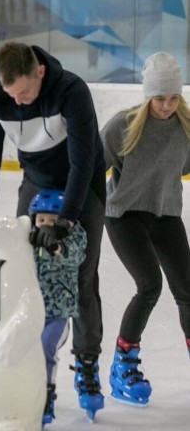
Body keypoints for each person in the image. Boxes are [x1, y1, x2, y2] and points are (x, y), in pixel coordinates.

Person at [0, 42, 107, 420]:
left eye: (25, 92)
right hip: (36, 182)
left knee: (81, 277)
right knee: (26, 275)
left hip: (83, 186)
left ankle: (87, 362)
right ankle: (34, 377)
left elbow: (82, 163)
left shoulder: (72, 91)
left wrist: (66, 221)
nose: (20, 102)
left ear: (40, 72)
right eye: (12, 94)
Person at [99, 51, 190, 405]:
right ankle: (123, 364)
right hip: (124, 215)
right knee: (149, 285)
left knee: (187, 291)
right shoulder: (123, 125)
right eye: (159, 98)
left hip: (166, 214)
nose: (166, 106)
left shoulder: (185, 128)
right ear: (147, 95)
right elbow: (92, 167)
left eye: (173, 97)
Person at [27, 189, 88, 426]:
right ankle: (24, 393)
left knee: (45, 349)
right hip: (31, 311)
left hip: (58, 314)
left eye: (52, 221)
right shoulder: (29, 237)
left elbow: (76, 255)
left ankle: (46, 396)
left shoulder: (74, 237)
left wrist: (57, 247)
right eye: (41, 220)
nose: (45, 225)